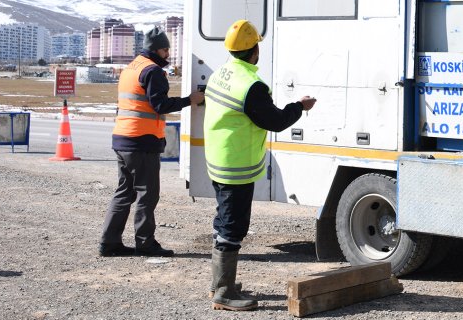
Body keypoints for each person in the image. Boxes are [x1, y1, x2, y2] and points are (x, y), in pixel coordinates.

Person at [204, 19, 316, 311]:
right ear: (254, 51)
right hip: (235, 165)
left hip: (218, 159)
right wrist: (299, 107)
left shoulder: (222, 74)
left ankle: (220, 283)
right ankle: (225, 293)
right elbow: (275, 121)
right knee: (232, 226)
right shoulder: (250, 85)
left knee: (222, 221)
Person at [100, 26, 203, 258]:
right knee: (147, 193)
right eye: (166, 50)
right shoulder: (153, 71)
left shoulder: (131, 67)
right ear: (158, 49)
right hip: (142, 140)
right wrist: (190, 100)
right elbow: (160, 105)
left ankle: (109, 242)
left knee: (124, 192)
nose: (168, 55)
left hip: (123, 138)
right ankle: (145, 243)